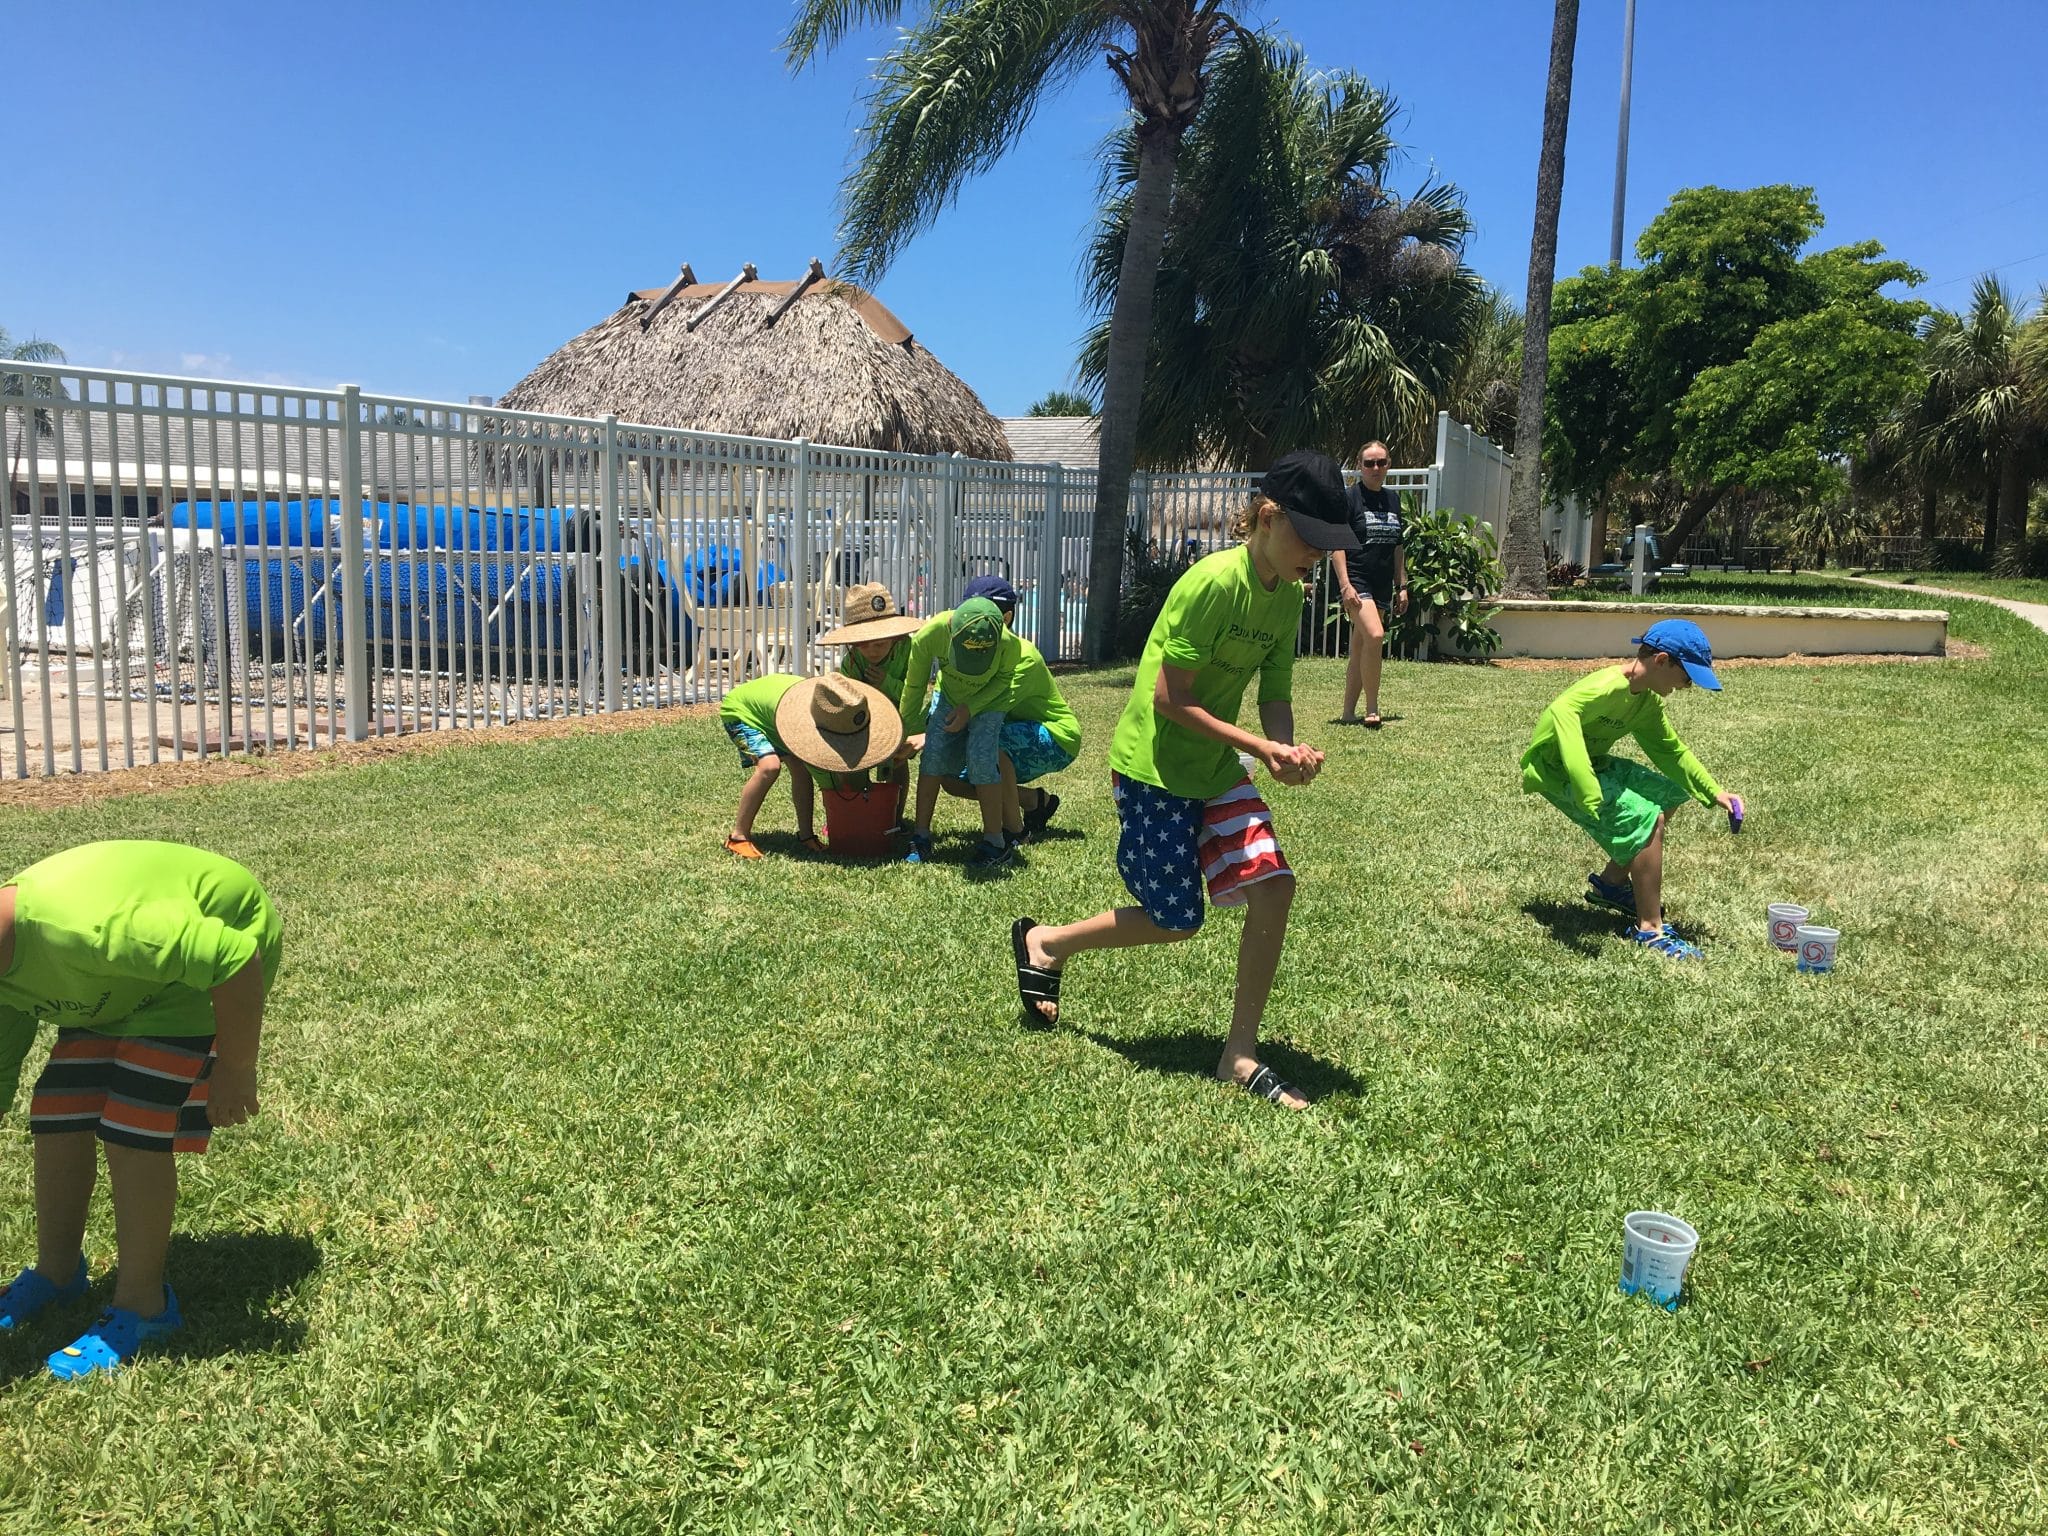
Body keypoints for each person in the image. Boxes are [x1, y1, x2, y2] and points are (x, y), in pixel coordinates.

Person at [1008, 450, 1360, 1110]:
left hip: (1216, 768)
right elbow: (1171, 700)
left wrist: (1284, 750)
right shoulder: (1213, 584)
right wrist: (1258, 746)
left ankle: (1239, 1055)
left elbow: (1275, 693)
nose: (1317, 554)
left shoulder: (1287, 598)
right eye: (1310, 537)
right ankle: (1046, 943)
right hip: (1154, 770)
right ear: (1268, 517)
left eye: (1326, 543)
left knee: (1275, 887)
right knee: (1176, 921)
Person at [0, 840, 282, 1379]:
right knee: (58, 1112)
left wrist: (236, 1066)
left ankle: (145, 1306)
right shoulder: (11, 969)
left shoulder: (89, 929)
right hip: (119, 982)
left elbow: (233, 957)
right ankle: (57, 1273)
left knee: (132, 1126)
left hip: (211, 960)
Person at [1519, 619, 1742, 960]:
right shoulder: (1607, 685)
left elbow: (1671, 751)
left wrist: (1715, 792)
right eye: (1687, 677)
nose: (1688, 686)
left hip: (1594, 763)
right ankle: (1650, 931)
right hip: (1556, 769)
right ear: (1662, 660)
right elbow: (1563, 711)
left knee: (1669, 794)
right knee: (1647, 818)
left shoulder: (1646, 703)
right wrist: (1584, 783)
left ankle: (1611, 884)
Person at [918, 576, 1075, 842]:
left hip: (1056, 737)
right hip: (1008, 729)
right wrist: (924, 728)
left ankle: (1014, 831)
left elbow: (990, 708)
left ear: (1006, 618)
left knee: (992, 747)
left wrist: (926, 738)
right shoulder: (961, 654)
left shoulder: (1023, 657)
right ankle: (1033, 801)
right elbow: (946, 700)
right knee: (950, 777)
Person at [897, 597, 1021, 870]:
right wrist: (903, 732)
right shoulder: (930, 634)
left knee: (981, 758)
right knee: (933, 754)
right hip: (950, 696)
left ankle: (995, 842)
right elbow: (915, 686)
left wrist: (971, 708)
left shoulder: (1009, 644)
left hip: (991, 701)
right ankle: (921, 836)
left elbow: (1004, 680)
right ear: (951, 629)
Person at [772, 671, 905, 832]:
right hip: (753, 713)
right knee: (778, 767)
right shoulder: (804, 723)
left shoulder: (848, 706)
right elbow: (829, 784)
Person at [1335, 440, 1409, 727]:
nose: (1375, 468)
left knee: (1361, 645)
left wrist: (1402, 586)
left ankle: (1347, 713)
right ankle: (1372, 708)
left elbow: (1398, 546)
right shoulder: (1350, 498)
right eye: (1369, 463)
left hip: (1381, 583)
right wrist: (1345, 585)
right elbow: (1338, 545)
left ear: (1388, 464)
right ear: (1360, 466)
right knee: (1376, 636)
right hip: (1357, 580)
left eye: (1381, 462)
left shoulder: (1393, 500)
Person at [718, 673, 821, 858]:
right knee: (769, 767)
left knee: (801, 767)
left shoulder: (821, 708)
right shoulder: (802, 712)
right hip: (741, 711)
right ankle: (737, 838)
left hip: (770, 714)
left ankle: (806, 836)